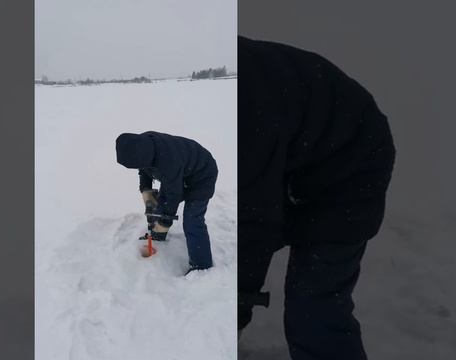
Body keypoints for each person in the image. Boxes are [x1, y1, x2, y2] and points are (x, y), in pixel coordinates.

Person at [237, 35, 396, 360]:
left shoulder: (246, 108)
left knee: (314, 307)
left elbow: (253, 221)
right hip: (297, 162)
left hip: (351, 167)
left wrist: (234, 308)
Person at [115, 131, 218, 275]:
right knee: (161, 205)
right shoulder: (142, 144)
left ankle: (202, 267)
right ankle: (158, 235)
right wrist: (147, 191)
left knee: (192, 220)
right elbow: (144, 169)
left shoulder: (168, 161)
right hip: (180, 172)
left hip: (202, 174)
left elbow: (173, 195)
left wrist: (164, 218)